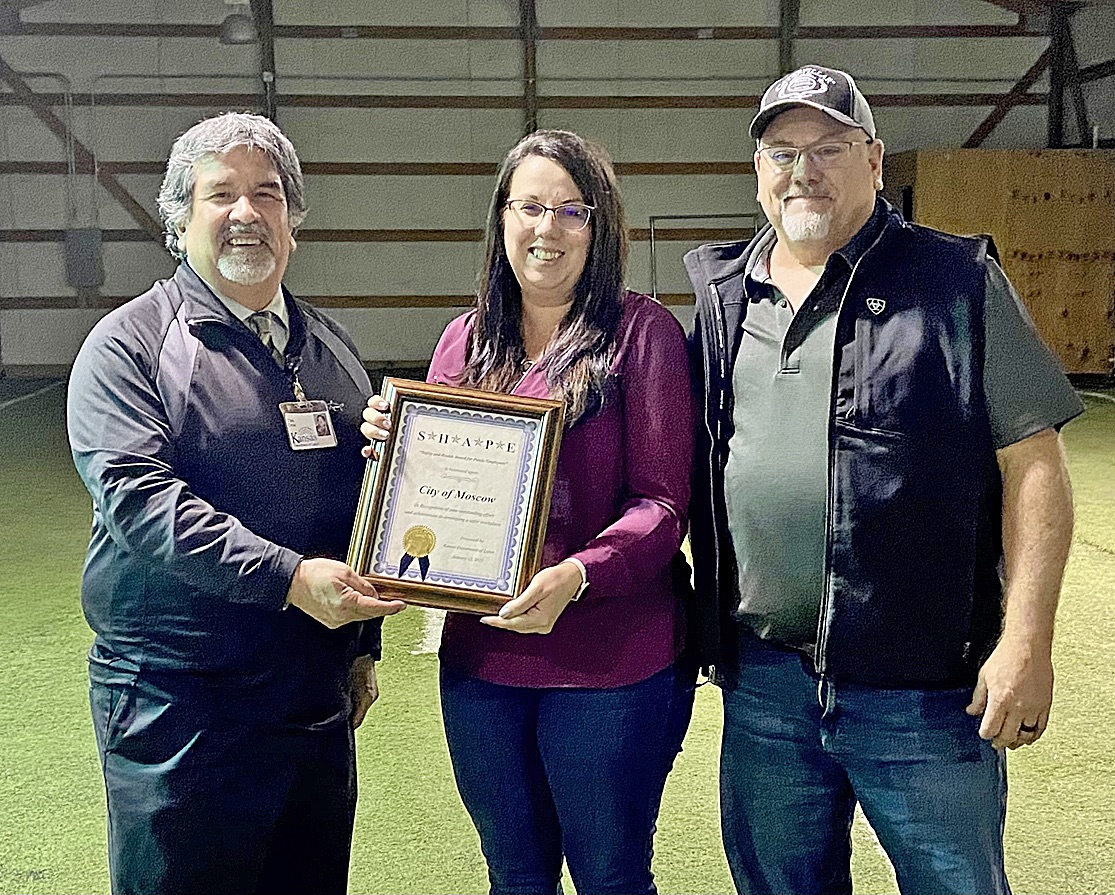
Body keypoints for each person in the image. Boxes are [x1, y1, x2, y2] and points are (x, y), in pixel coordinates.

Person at [685, 65, 1084, 895]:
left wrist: (1026, 640)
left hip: (923, 688)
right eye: (783, 151)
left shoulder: (956, 281)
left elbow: (1033, 464)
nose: (804, 170)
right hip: (765, 684)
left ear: (873, 159)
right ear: (757, 171)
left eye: (828, 147)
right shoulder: (724, 295)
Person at [67, 112, 405, 895]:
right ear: (179, 218)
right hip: (178, 704)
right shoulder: (127, 347)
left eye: (268, 193)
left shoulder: (331, 347)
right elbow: (141, 500)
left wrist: (359, 646)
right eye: (221, 194)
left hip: (310, 702)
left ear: (293, 219)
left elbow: (356, 505)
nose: (247, 213)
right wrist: (290, 579)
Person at [363, 129, 695, 894]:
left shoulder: (642, 333)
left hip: (610, 661)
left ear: (598, 226)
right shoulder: (464, 339)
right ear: (502, 219)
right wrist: (391, 446)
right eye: (530, 207)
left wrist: (578, 574)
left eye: (570, 211)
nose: (546, 228)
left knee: (610, 874)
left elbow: (663, 504)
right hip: (481, 662)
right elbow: (430, 484)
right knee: (513, 873)